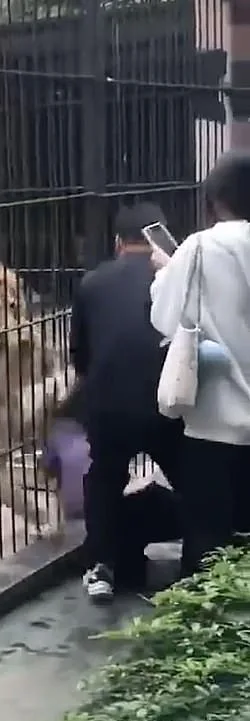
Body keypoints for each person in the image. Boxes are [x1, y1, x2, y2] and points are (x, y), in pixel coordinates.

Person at [70, 202, 184, 602]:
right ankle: (202, 564)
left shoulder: (92, 283)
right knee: (192, 477)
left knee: (103, 477)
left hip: (108, 407)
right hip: (166, 403)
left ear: (118, 243)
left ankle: (101, 567)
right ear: (160, 237)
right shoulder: (175, 275)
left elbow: (80, 356)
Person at [150, 149, 250, 576]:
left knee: (208, 536)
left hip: (213, 422)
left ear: (213, 201)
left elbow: (164, 316)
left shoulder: (200, 247)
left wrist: (166, 270)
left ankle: (206, 625)